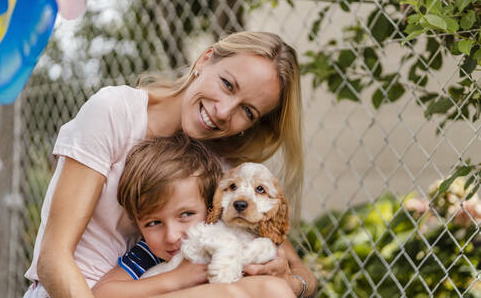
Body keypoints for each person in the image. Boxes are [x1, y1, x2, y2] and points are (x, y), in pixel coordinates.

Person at [23, 31, 317, 297]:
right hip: (71, 291)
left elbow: (300, 271)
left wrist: (292, 282)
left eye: (248, 111)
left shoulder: (216, 167)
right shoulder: (116, 113)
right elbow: (53, 259)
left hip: (151, 288)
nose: (224, 111)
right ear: (205, 59)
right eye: (227, 84)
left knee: (270, 289)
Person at [92, 135, 296, 297]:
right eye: (153, 222)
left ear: (212, 208)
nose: (171, 236)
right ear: (137, 225)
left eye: (186, 214)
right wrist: (178, 278)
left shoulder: (233, 236)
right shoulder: (148, 254)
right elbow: (101, 293)